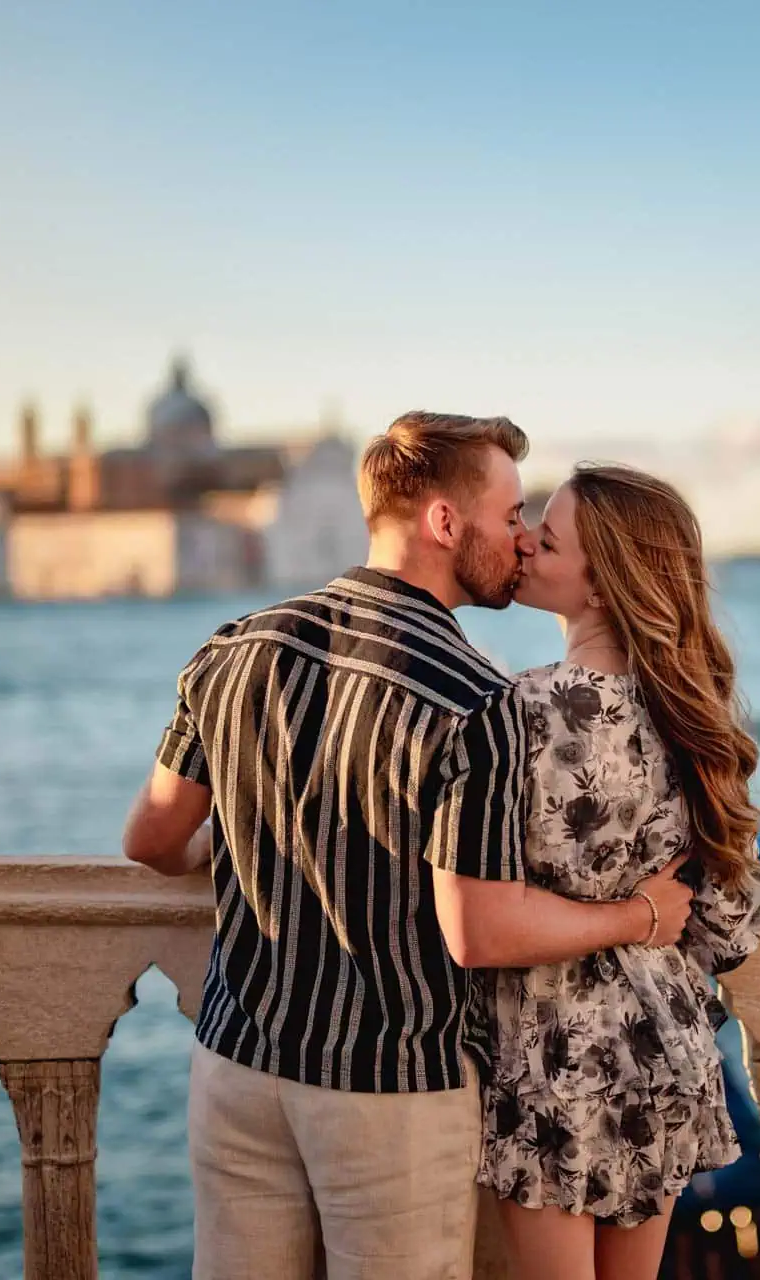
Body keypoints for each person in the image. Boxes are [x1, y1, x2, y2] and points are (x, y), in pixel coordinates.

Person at [121, 413, 696, 1280]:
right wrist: (639, 913)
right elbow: (483, 931)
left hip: (236, 1064)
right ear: (442, 523)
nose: (519, 539)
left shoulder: (236, 648)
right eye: (509, 517)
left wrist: (242, 836)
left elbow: (152, 838)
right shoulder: (477, 702)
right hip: (388, 1086)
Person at [477, 463, 760, 1280]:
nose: (526, 540)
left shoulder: (515, 713)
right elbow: (732, 931)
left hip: (551, 1061)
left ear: (601, 586)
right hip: (664, 1058)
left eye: (551, 537)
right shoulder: (694, 715)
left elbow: (481, 908)